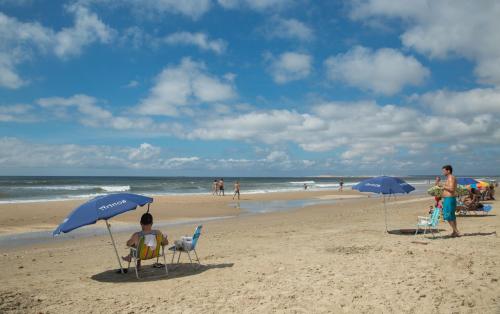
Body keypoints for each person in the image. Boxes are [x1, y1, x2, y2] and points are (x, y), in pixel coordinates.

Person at [436, 165, 459, 237]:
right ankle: (455, 232)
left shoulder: (451, 177)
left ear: (448, 171)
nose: (443, 172)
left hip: (449, 198)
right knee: (451, 216)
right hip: (448, 198)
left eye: (444, 171)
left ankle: (456, 231)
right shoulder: (449, 178)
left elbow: (451, 189)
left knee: (447, 216)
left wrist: (443, 185)